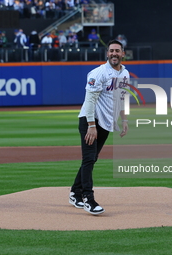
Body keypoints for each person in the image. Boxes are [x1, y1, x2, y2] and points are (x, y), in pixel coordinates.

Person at [69, 40, 129, 215]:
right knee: (88, 158)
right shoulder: (98, 73)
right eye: (111, 51)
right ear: (107, 53)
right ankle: (88, 198)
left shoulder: (125, 73)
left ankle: (74, 192)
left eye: (117, 51)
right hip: (90, 121)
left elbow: (121, 99)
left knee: (92, 158)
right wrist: (90, 125)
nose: (114, 54)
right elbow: (90, 101)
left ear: (123, 53)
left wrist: (124, 120)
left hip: (105, 122)